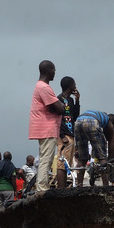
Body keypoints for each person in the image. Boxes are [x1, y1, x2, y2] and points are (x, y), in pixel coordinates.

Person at [28, 60, 64, 193]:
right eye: (54, 70)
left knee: (45, 158)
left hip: (43, 128)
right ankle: (42, 188)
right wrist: (61, 105)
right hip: (47, 128)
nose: (55, 73)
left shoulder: (40, 86)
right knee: (46, 160)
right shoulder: (44, 88)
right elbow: (59, 108)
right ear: (49, 70)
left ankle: (41, 186)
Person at [73, 110, 114, 187]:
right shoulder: (108, 121)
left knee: (82, 158)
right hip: (92, 122)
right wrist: (110, 161)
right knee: (102, 157)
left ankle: (79, 185)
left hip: (78, 122)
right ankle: (105, 185)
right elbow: (111, 142)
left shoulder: (100, 116)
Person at [55, 76, 80, 188]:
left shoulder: (70, 100)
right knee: (61, 163)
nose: (75, 86)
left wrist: (77, 100)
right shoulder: (59, 99)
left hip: (71, 134)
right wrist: (61, 135)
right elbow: (56, 118)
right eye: (74, 84)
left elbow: (75, 116)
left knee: (67, 164)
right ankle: (61, 189)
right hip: (64, 135)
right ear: (70, 86)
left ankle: (63, 188)